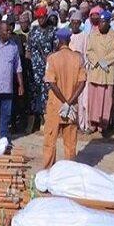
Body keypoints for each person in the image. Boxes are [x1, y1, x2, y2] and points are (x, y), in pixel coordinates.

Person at [42, 28, 86, 169]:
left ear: (58, 41)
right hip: (71, 107)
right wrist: (70, 102)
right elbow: (82, 82)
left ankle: (48, 170)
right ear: (69, 40)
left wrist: (63, 101)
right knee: (70, 142)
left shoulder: (52, 58)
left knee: (50, 140)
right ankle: (69, 171)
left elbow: (51, 83)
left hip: (56, 105)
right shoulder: (78, 58)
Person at [86, 10, 114, 135]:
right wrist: (98, 61)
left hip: (107, 72)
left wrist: (105, 61)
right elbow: (89, 51)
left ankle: (103, 125)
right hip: (96, 71)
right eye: (99, 22)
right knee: (93, 99)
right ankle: (92, 124)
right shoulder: (93, 34)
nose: (100, 24)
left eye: (103, 22)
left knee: (106, 100)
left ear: (108, 22)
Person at [26, 6, 56, 133]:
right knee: (33, 94)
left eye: (42, 17)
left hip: (47, 69)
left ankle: (45, 120)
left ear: (46, 17)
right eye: (38, 17)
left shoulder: (52, 31)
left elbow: (55, 51)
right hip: (34, 69)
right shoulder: (33, 31)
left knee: (46, 94)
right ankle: (33, 121)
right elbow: (28, 50)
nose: (40, 20)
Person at [69, 11, 90, 132]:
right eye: (73, 23)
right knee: (71, 98)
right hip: (69, 73)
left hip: (82, 71)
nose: (75, 25)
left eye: (77, 23)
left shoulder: (85, 36)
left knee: (83, 100)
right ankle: (71, 123)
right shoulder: (68, 36)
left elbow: (86, 54)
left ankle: (83, 124)